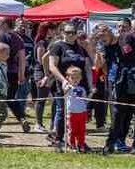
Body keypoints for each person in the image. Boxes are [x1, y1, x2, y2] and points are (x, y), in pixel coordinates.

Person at [103, 17, 135, 154]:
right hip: (121, 82)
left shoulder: (134, 39)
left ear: (130, 28)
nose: (121, 28)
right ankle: (111, 143)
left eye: (124, 26)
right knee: (118, 114)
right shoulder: (113, 42)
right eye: (119, 26)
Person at [46, 22, 92, 151]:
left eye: (73, 32)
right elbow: (52, 66)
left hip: (80, 86)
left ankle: (79, 141)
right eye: (68, 32)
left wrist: (90, 84)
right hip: (63, 85)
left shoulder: (80, 48)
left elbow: (87, 67)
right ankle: (58, 139)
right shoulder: (58, 46)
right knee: (62, 111)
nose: (71, 35)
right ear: (62, 33)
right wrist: (63, 80)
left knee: (79, 112)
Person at [0, 17, 30, 133]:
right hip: (13, 72)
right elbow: (22, 59)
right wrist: (21, 75)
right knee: (10, 98)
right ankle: (22, 118)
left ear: (5, 24)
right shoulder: (18, 38)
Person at [31, 21, 59, 133]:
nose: (54, 31)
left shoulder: (50, 42)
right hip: (41, 73)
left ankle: (54, 124)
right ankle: (38, 124)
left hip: (50, 73)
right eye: (52, 29)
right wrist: (46, 75)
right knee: (41, 99)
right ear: (46, 30)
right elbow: (41, 60)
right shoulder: (41, 43)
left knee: (56, 99)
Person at [64, 65, 90, 152]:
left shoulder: (82, 89)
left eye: (77, 78)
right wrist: (67, 89)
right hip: (72, 113)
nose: (75, 80)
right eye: (72, 78)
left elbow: (85, 100)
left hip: (82, 113)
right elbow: (64, 94)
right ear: (68, 78)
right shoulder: (68, 88)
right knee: (72, 130)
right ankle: (72, 145)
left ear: (81, 78)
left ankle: (81, 144)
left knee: (81, 130)